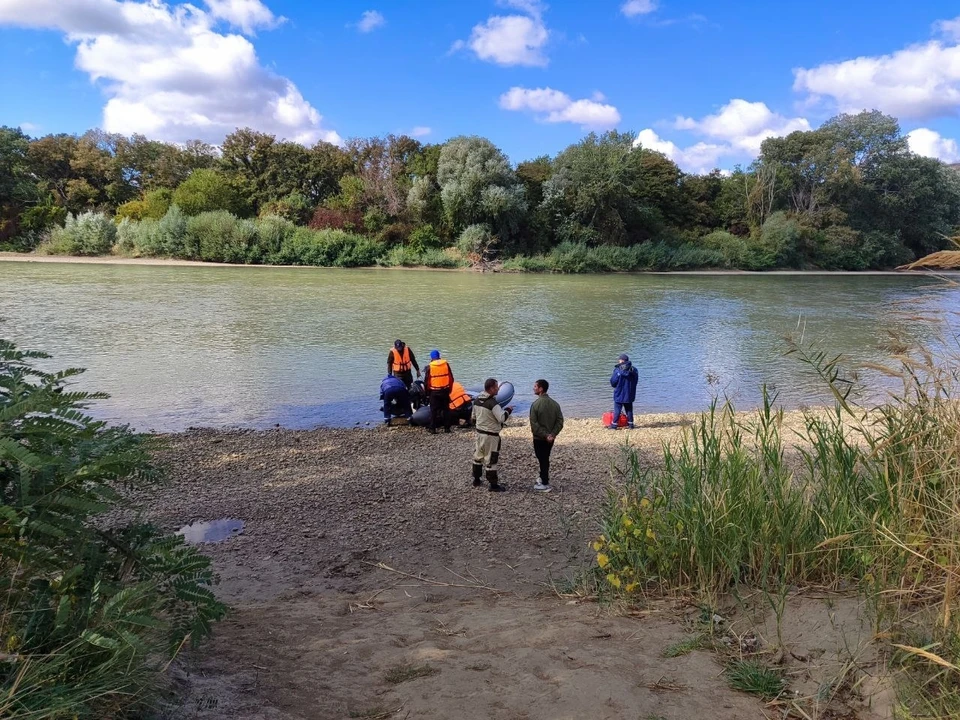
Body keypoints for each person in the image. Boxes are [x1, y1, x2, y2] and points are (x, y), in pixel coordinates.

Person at [471, 378, 514, 491]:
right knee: (491, 460)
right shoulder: (493, 403)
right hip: (491, 436)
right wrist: (508, 410)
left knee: (477, 457)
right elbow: (502, 418)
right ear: (491, 388)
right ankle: (493, 485)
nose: (498, 389)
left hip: (479, 434)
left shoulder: (476, 401)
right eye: (496, 387)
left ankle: (476, 480)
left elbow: (473, 418)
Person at [529, 379, 563, 492]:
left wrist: (545, 435)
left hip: (539, 438)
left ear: (541, 389)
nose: (533, 388)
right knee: (545, 457)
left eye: (535, 386)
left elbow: (534, 424)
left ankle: (544, 482)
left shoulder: (535, 405)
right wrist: (552, 434)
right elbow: (560, 421)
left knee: (542, 459)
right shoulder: (555, 404)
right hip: (551, 439)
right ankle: (543, 477)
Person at [423, 350, 453, 434]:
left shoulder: (430, 367)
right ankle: (447, 428)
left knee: (433, 410)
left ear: (432, 358)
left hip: (434, 392)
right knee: (446, 409)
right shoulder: (446, 365)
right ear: (439, 356)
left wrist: (427, 393)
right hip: (445, 390)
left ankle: (432, 428)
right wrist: (449, 389)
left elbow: (426, 381)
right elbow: (451, 378)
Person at [608, 353, 639, 429]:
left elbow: (613, 382)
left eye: (619, 359)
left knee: (617, 409)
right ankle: (631, 424)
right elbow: (636, 381)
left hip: (619, 393)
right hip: (630, 393)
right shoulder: (634, 370)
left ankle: (614, 425)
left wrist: (615, 385)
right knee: (629, 409)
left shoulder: (618, 370)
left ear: (621, 361)